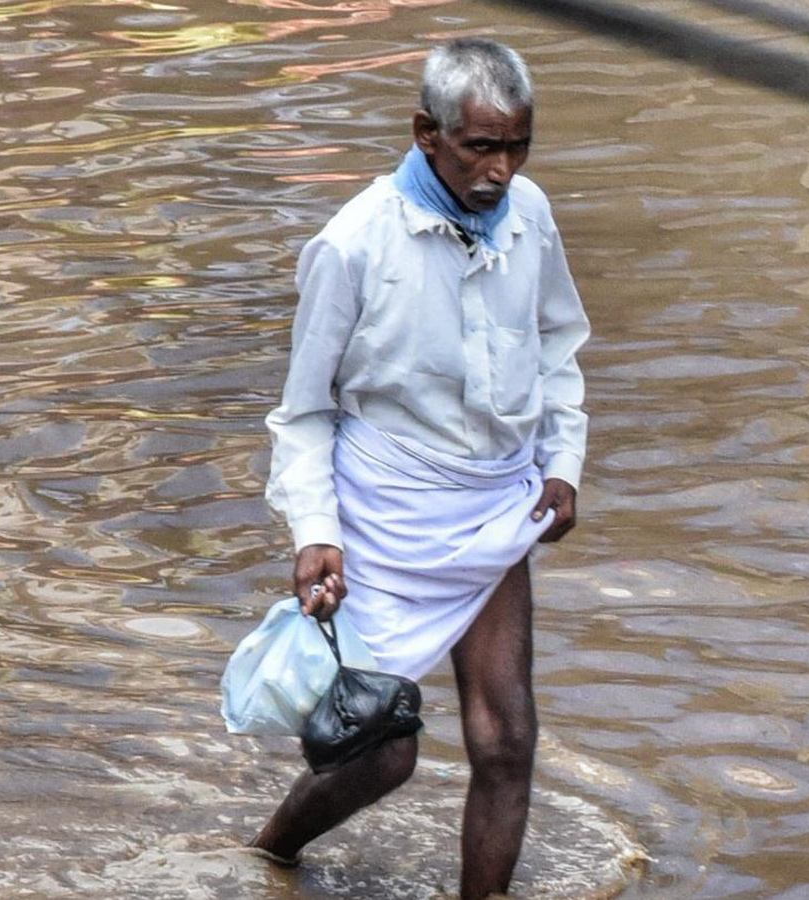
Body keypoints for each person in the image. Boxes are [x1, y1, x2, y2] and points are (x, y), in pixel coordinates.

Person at [250, 37, 589, 900]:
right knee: (382, 751)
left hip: (496, 503)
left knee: (507, 740)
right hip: (383, 513)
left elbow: (558, 345)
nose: (501, 170)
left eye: (517, 146)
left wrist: (563, 461)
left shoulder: (532, 216)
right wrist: (316, 531)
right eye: (481, 146)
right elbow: (304, 410)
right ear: (426, 133)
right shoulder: (354, 244)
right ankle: (269, 857)